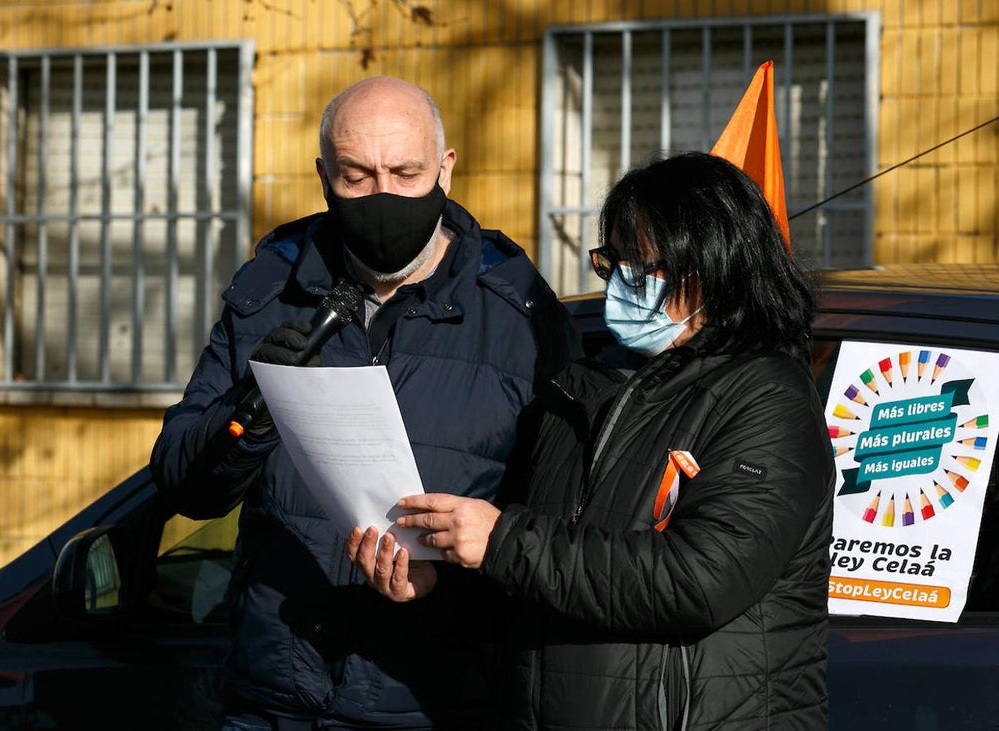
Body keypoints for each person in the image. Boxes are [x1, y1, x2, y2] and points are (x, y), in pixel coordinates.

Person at [149, 75, 579, 730]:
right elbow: (183, 479)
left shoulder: (520, 316)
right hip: (273, 701)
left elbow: (566, 538)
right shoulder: (269, 289)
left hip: (437, 704)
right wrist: (254, 405)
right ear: (323, 175)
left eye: (406, 173)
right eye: (357, 175)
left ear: (446, 168)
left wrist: (447, 587)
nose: (383, 196)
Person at [350, 151, 837, 729]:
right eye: (613, 262)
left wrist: (500, 540)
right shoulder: (581, 390)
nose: (621, 285)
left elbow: (702, 578)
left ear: (712, 267)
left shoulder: (764, 395)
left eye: (643, 267)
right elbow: (541, 579)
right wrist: (441, 583)